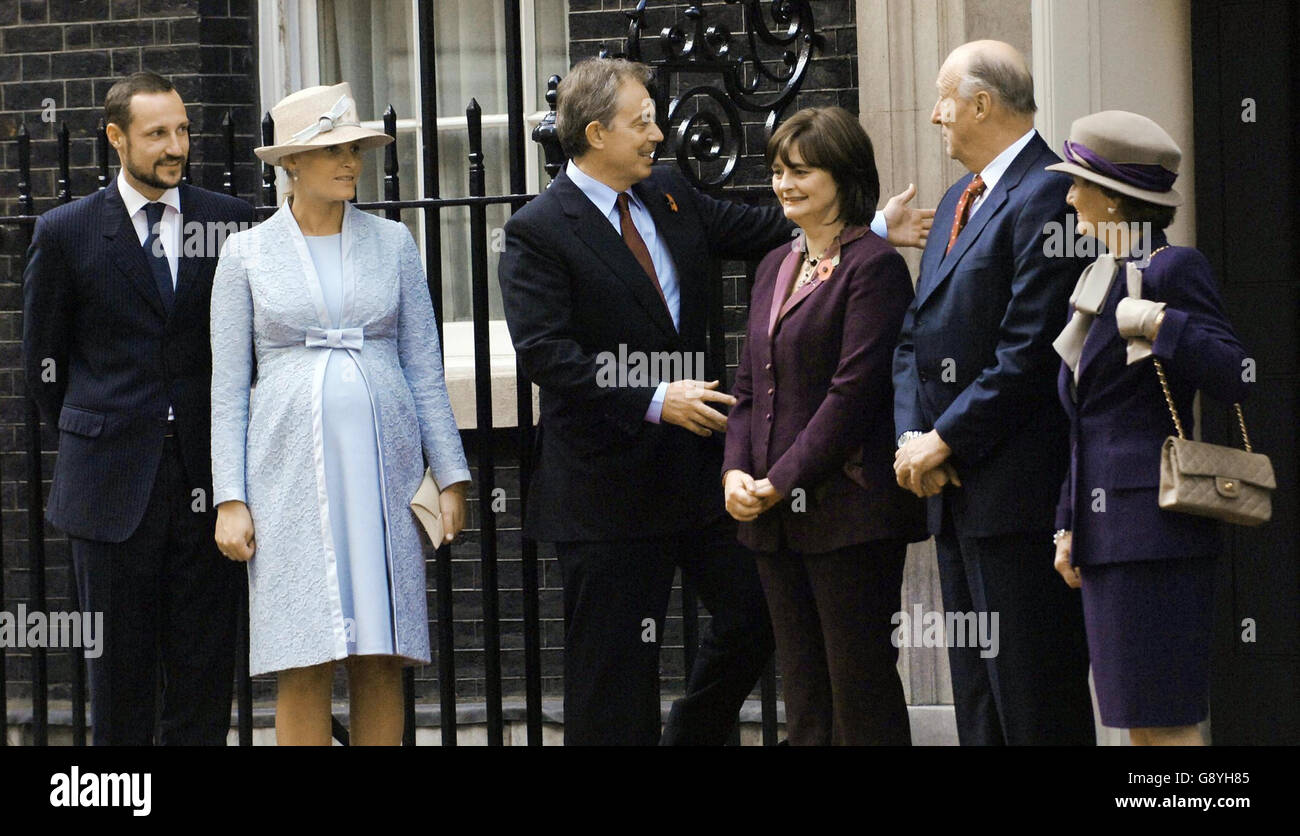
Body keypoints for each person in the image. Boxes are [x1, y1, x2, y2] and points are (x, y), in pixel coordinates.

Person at [498, 57, 932, 745]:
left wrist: (872, 226)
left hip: (702, 478)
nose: (657, 133)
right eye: (641, 122)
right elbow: (547, 354)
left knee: (759, 617)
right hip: (605, 489)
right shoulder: (539, 230)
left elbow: (785, 237)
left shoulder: (670, 194)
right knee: (612, 676)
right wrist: (651, 397)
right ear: (594, 133)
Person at [209, 82, 470, 746]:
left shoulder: (393, 244)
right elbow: (229, 389)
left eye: (354, 149)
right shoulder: (244, 255)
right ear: (291, 164)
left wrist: (453, 478)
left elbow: (423, 366)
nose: (350, 161)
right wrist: (230, 498)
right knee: (304, 654)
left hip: (383, 477)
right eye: (332, 150)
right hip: (288, 478)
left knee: (381, 652)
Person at [21, 71, 255, 745]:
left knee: (203, 682)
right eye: (157, 134)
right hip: (109, 490)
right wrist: (103, 428)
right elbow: (44, 368)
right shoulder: (66, 233)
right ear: (116, 137)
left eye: (182, 131)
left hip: (210, 488)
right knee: (118, 690)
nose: (175, 146)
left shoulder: (229, 222)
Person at [891, 40, 1096, 745]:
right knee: (980, 707)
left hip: (1018, 501)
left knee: (1035, 704)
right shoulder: (956, 198)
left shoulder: (1051, 192)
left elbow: (1029, 353)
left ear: (981, 103)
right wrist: (912, 441)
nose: (935, 114)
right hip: (955, 496)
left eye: (944, 98)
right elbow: (914, 338)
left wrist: (944, 438)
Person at [722, 107, 927, 745]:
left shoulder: (874, 266)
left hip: (849, 514)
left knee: (859, 691)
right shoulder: (774, 266)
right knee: (804, 698)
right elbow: (748, 387)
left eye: (802, 171)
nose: (785, 184)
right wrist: (734, 472)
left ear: (844, 176)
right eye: (778, 171)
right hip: (773, 518)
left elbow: (853, 394)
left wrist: (779, 480)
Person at [1047, 111, 1250, 746]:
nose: (1070, 195)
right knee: (1141, 725)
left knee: (1167, 723)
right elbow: (1088, 421)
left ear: (1113, 196)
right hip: (1107, 538)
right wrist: (1068, 521)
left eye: (1080, 183)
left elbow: (1237, 373)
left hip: (1158, 534)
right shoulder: (1099, 276)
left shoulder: (1171, 268)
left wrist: (1163, 326)